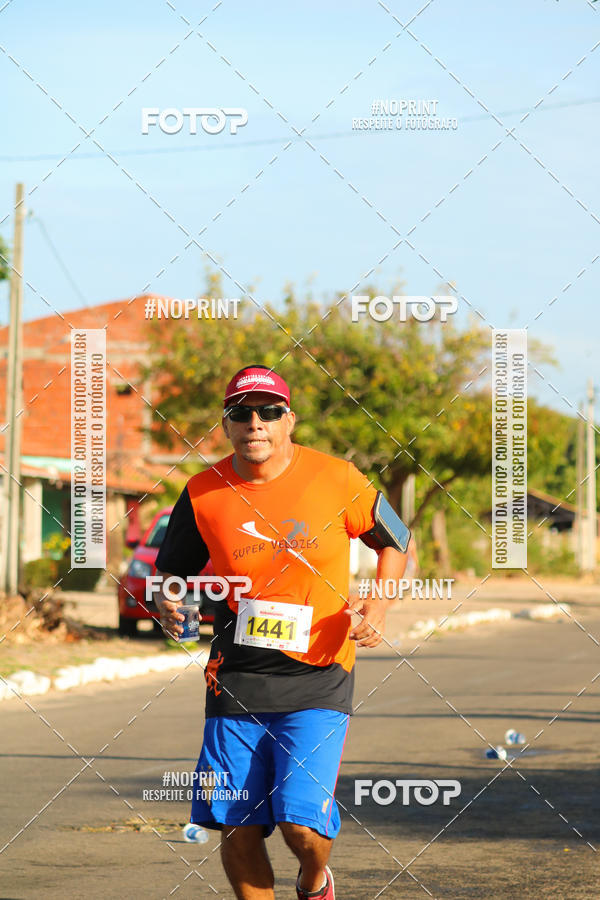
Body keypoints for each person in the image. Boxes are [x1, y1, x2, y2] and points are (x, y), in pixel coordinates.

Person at [155, 365, 408, 900]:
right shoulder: (202, 492)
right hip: (237, 676)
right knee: (237, 824)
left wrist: (379, 604)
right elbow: (171, 572)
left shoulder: (337, 478)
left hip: (319, 673)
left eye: (268, 412)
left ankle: (315, 879)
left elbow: (394, 538)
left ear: (288, 420)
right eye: (241, 413)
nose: (255, 423)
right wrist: (169, 600)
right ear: (226, 425)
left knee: (300, 824)